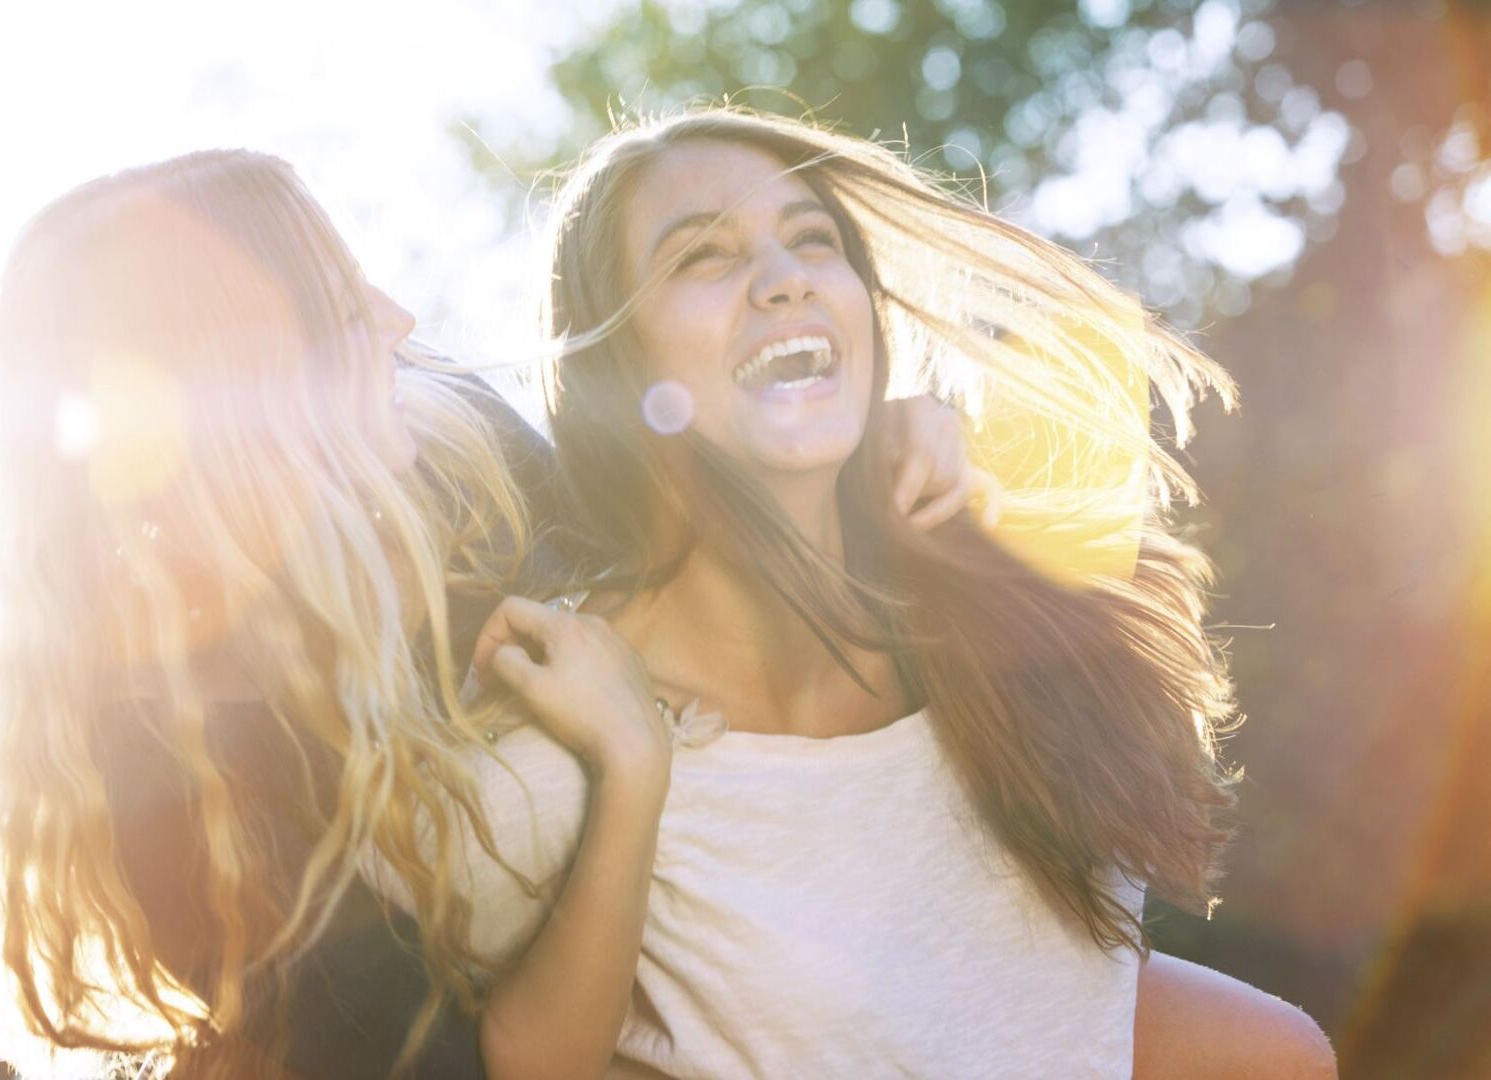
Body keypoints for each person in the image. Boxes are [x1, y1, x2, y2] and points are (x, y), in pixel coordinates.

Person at [0, 147, 981, 1079]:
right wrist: (628, 771)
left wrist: (866, 448)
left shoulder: (458, 452)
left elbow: (681, 553)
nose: (400, 320)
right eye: (342, 310)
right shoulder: (159, 783)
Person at [444, 108, 1336, 1077]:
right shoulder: (563, 721)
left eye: (812, 240)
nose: (785, 277)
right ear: (615, 360)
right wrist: (628, 771)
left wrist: (940, 467)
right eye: (702, 255)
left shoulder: (958, 565)